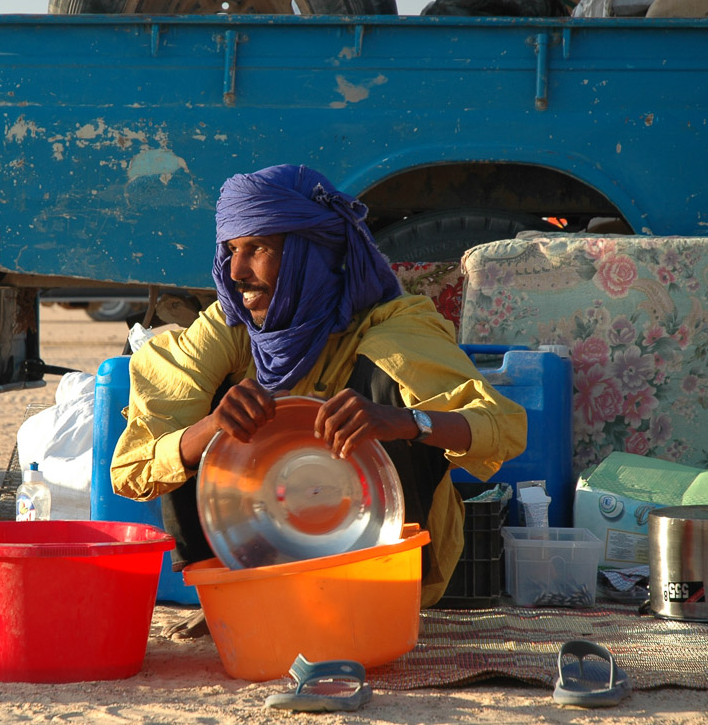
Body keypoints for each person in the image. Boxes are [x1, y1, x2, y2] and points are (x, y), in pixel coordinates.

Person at [110, 164, 527, 632]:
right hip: (250, 554)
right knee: (210, 412)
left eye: (258, 249)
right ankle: (232, 595)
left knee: (385, 385)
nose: (236, 272)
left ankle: (370, 600)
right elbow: (131, 471)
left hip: (374, 566)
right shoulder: (229, 328)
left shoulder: (393, 326)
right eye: (230, 251)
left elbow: (505, 427)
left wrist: (404, 421)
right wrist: (212, 429)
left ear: (312, 253)